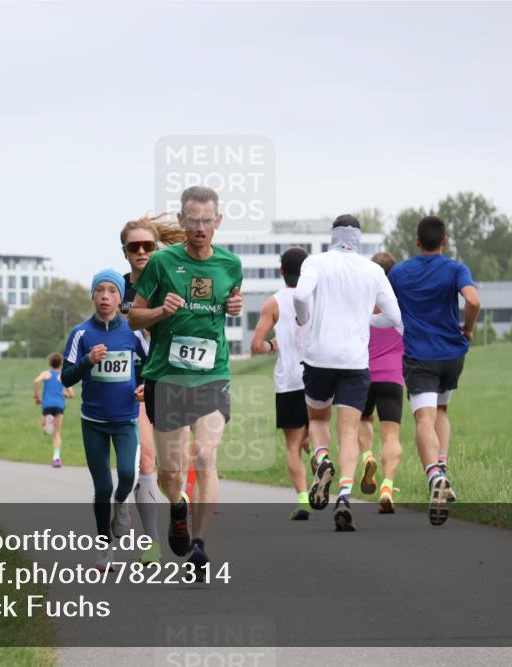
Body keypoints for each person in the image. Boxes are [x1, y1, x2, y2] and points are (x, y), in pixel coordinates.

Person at [128, 185, 243, 569]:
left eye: (207, 221)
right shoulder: (162, 263)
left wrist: (235, 306)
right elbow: (134, 317)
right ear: (181, 220)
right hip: (167, 378)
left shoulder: (230, 265)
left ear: (218, 221)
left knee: (205, 455)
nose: (200, 228)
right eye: (192, 221)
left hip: (212, 375)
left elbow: (229, 304)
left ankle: (199, 545)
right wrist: (161, 311)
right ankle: (177, 505)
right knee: (171, 473)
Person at [294, 215, 402, 532]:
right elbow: (394, 316)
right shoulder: (373, 271)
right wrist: (369, 320)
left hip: (319, 356)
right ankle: (343, 495)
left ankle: (322, 458)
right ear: (358, 238)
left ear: (333, 235)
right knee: (349, 432)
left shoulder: (315, 262)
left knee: (317, 419)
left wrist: (303, 319)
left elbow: (300, 296)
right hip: (355, 361)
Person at [388, 215, 480, 526]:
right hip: (452, 354)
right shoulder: (455, 268)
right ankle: (443, 467)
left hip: (419, 355)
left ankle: (434, 476)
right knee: (441, 410)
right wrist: (468, 327)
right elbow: (473, 301)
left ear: (416, 241)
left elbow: (381, 307)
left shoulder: (399, 272)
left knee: (423, 418)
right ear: (445, 241)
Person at [61, 269, 149, 569]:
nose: (105, 296)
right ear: (93, 295)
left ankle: (121, 503)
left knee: (128, 475)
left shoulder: (133, 333)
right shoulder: (81, 333)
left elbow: (150, 366)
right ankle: (104, 549)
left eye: (112, 291)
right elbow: (66, 378)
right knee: (101, 488)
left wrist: (145, 387)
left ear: (120, 297)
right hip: (93, 422)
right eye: (100, 290)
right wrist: (88, 361)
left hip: (125, 419)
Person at [119, 213, 187, 565]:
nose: (142, 252)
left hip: (166, 381)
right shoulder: (116, 290)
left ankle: (173, 514)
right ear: (125, 251)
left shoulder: (172, 284)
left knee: (167, 466)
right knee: (140, 462)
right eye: (135, 247)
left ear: (157, 248)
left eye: (148, 245)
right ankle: (150, 540)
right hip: (129, 387)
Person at [250, 246, 313, 520]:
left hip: (289, 380)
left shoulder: (273, 303)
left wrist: (272, 346)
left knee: (293, 445)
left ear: (281, 271)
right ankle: (322, 463)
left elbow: (256, 345)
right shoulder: (317, 297)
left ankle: (303, 500)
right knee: (316, 433)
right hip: (318, 375)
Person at [358, 252, 406, 514]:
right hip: (392, 377)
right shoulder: (400, 307)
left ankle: (367, 457)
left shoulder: (361, 305)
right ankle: (387, 486)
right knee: (391, 435)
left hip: (363, 375)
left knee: (362, 420)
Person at [34, 353, 74, 467]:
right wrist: (64, 394)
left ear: (49, 362)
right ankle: (56, 458)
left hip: (47, 404)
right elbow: (71, 394)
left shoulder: (46, 374)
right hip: (59, 405)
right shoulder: (62, 376)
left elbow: (36, 381)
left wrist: (36, 397)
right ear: (61, 363)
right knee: (57, 433)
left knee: (45, 430)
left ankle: (48, 424)